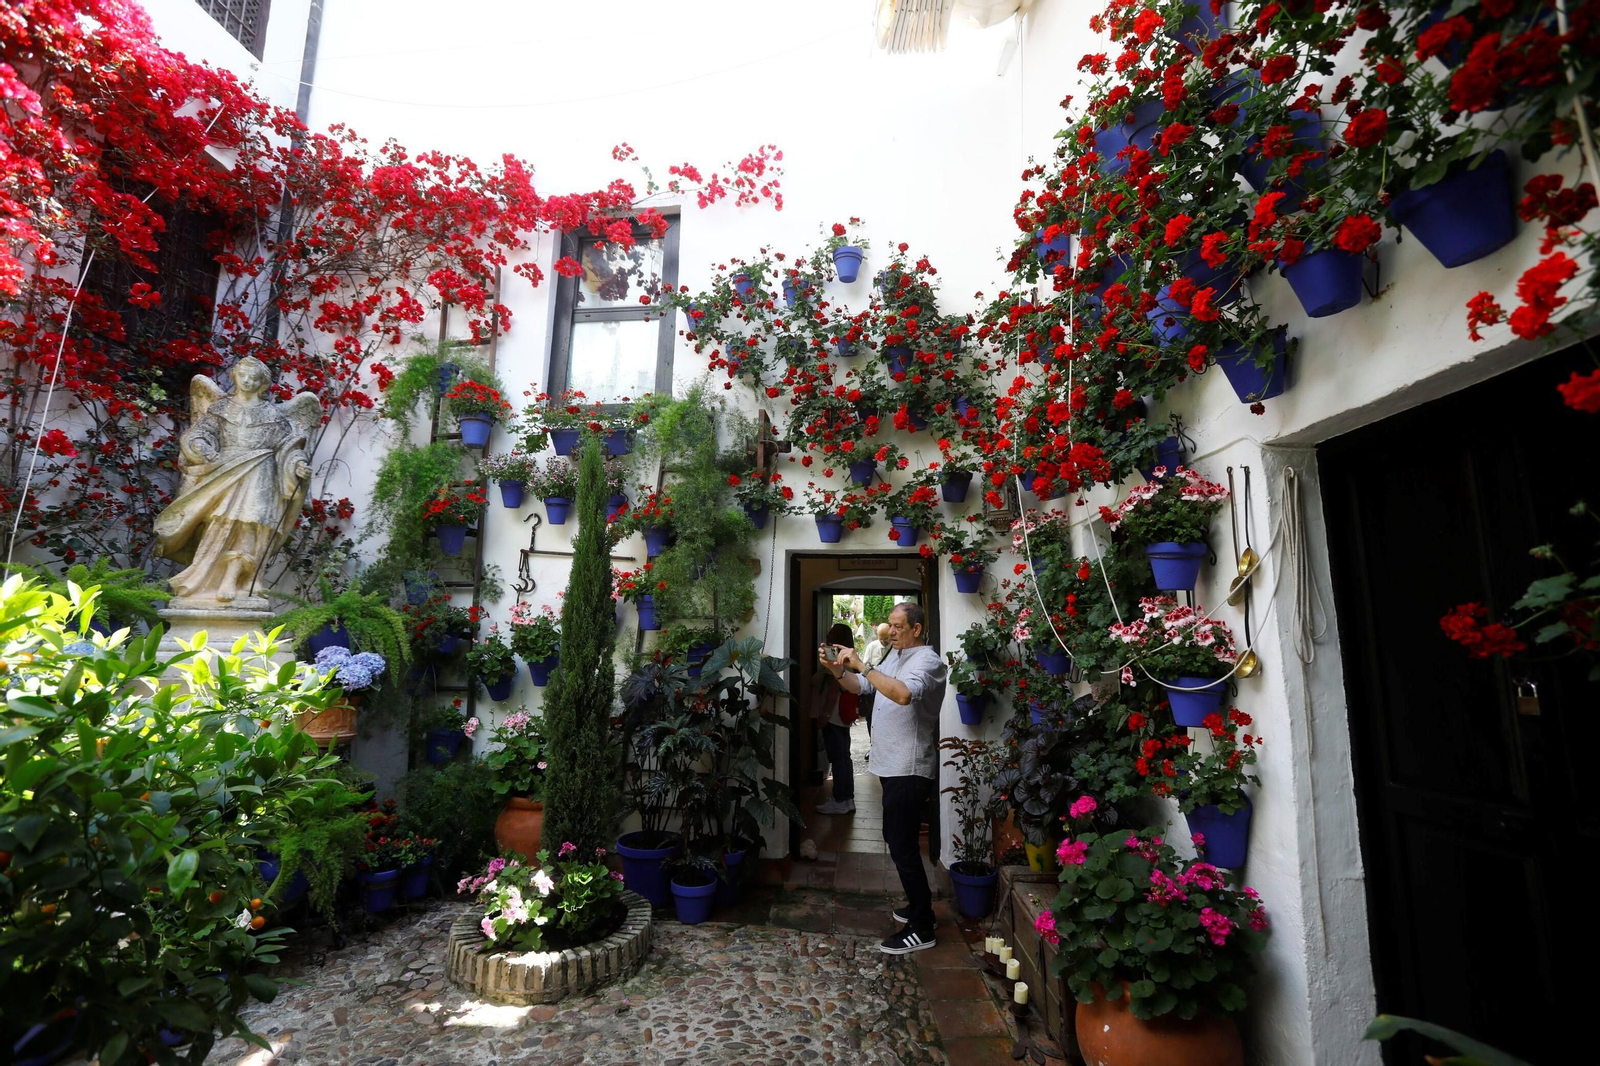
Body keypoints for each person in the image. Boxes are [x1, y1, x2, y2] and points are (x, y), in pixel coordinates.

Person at [820, 602, 946, 954]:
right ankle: (918, 908)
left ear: (917, 629)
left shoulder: (928, 662)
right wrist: (837, 669)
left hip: (910, 767)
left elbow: (903, 694)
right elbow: (860, 687)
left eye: (897, 625)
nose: (891, 631)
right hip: (891, 767)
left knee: (903, 845)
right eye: (890, 625)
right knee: (896, 839)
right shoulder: (895, 655)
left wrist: (864, 663)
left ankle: (923, 926)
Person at [810, 623, 860, 815]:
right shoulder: (849, 655)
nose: (827, 633)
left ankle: (840, 799)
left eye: (831, 632)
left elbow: (832, 688)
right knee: (844, 758)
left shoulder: (836, 655)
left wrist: (825, 714)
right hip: (842, 715)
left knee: (838, 758)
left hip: (835, 716)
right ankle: (847, 799)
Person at [860, 622, 893, 736]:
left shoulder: (896, 647)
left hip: (890, 688)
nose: (884, 642)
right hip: (874, 688)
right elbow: (865, 667)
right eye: (881, 639)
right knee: (871, 717)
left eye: (886, 639)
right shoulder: (872, 646)